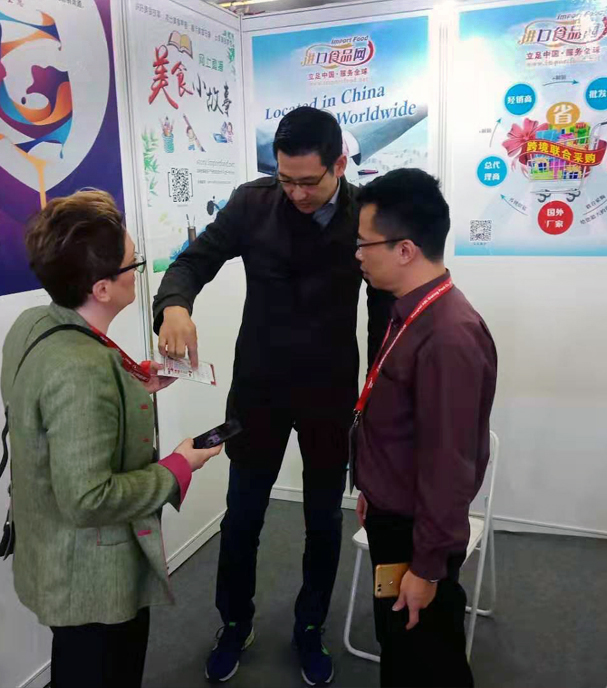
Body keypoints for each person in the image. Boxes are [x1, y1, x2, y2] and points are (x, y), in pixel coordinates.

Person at [153, 107, 389, 686]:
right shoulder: (252, 203)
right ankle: (234, 624)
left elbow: (384, 312)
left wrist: (377, 396)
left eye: (309, 181)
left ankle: (310, 628)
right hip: (258, 392)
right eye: (286, 179)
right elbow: (192, 262)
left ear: (339, 164)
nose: (297, 193)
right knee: (242, 517)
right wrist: (174, 306)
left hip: (330, 394)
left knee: (322, 522)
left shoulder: (366, 215)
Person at [0, 190, 222, 688]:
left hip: (53, 553)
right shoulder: (82, 370)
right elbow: (89, 497)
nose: (138, 272)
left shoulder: (35, 324)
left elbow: (48, 411)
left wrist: (129, 379)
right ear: (102, 288)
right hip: (92, 577)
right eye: (133, 264)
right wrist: (179, 466)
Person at [353, 169, 498, 688]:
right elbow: (401, 427)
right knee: (402, 649)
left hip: (417, 533)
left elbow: (448, 463)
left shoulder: (448, 335)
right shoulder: (410, 312)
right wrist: (374, 487)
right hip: (395, 512)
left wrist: (428, 566)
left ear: (405, 249)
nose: (358, 255)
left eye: (364, 243)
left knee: (426, 659)